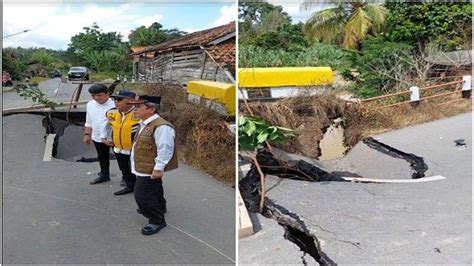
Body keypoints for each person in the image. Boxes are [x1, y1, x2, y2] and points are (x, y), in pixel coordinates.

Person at [128, 95, 178, 236]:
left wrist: (158, 168)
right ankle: (160, 207)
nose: (134, 110)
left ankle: (156, 220)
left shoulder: (162, 127)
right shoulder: (145, 123)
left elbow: (165, 148)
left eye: (138, 107)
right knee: (154, 188)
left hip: (149, 167)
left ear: (151, 109)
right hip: (143, 165)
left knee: (141, 195)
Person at [101, 90, 140, 195]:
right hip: (118, 148)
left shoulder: (139, 113)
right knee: (124, 169)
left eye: (119, 99)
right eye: (114, 99)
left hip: (134, 149)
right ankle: (130, 186)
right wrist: (103, 137)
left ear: (131, 100)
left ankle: (142, 190)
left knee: (139, 171)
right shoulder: (112, 112)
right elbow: (105, 125)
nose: (116, 102)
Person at [84, 84, 115, 184]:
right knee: (102, 157)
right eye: (93, 96)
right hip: (97, 136)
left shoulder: (115, 105)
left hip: (115, 137)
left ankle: (127, 177)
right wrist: (87, 134)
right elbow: (89, 121)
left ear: (107, 94)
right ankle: (104, 174)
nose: (96, 98)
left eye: (100, 95)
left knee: (122, 158)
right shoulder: (90, 105)